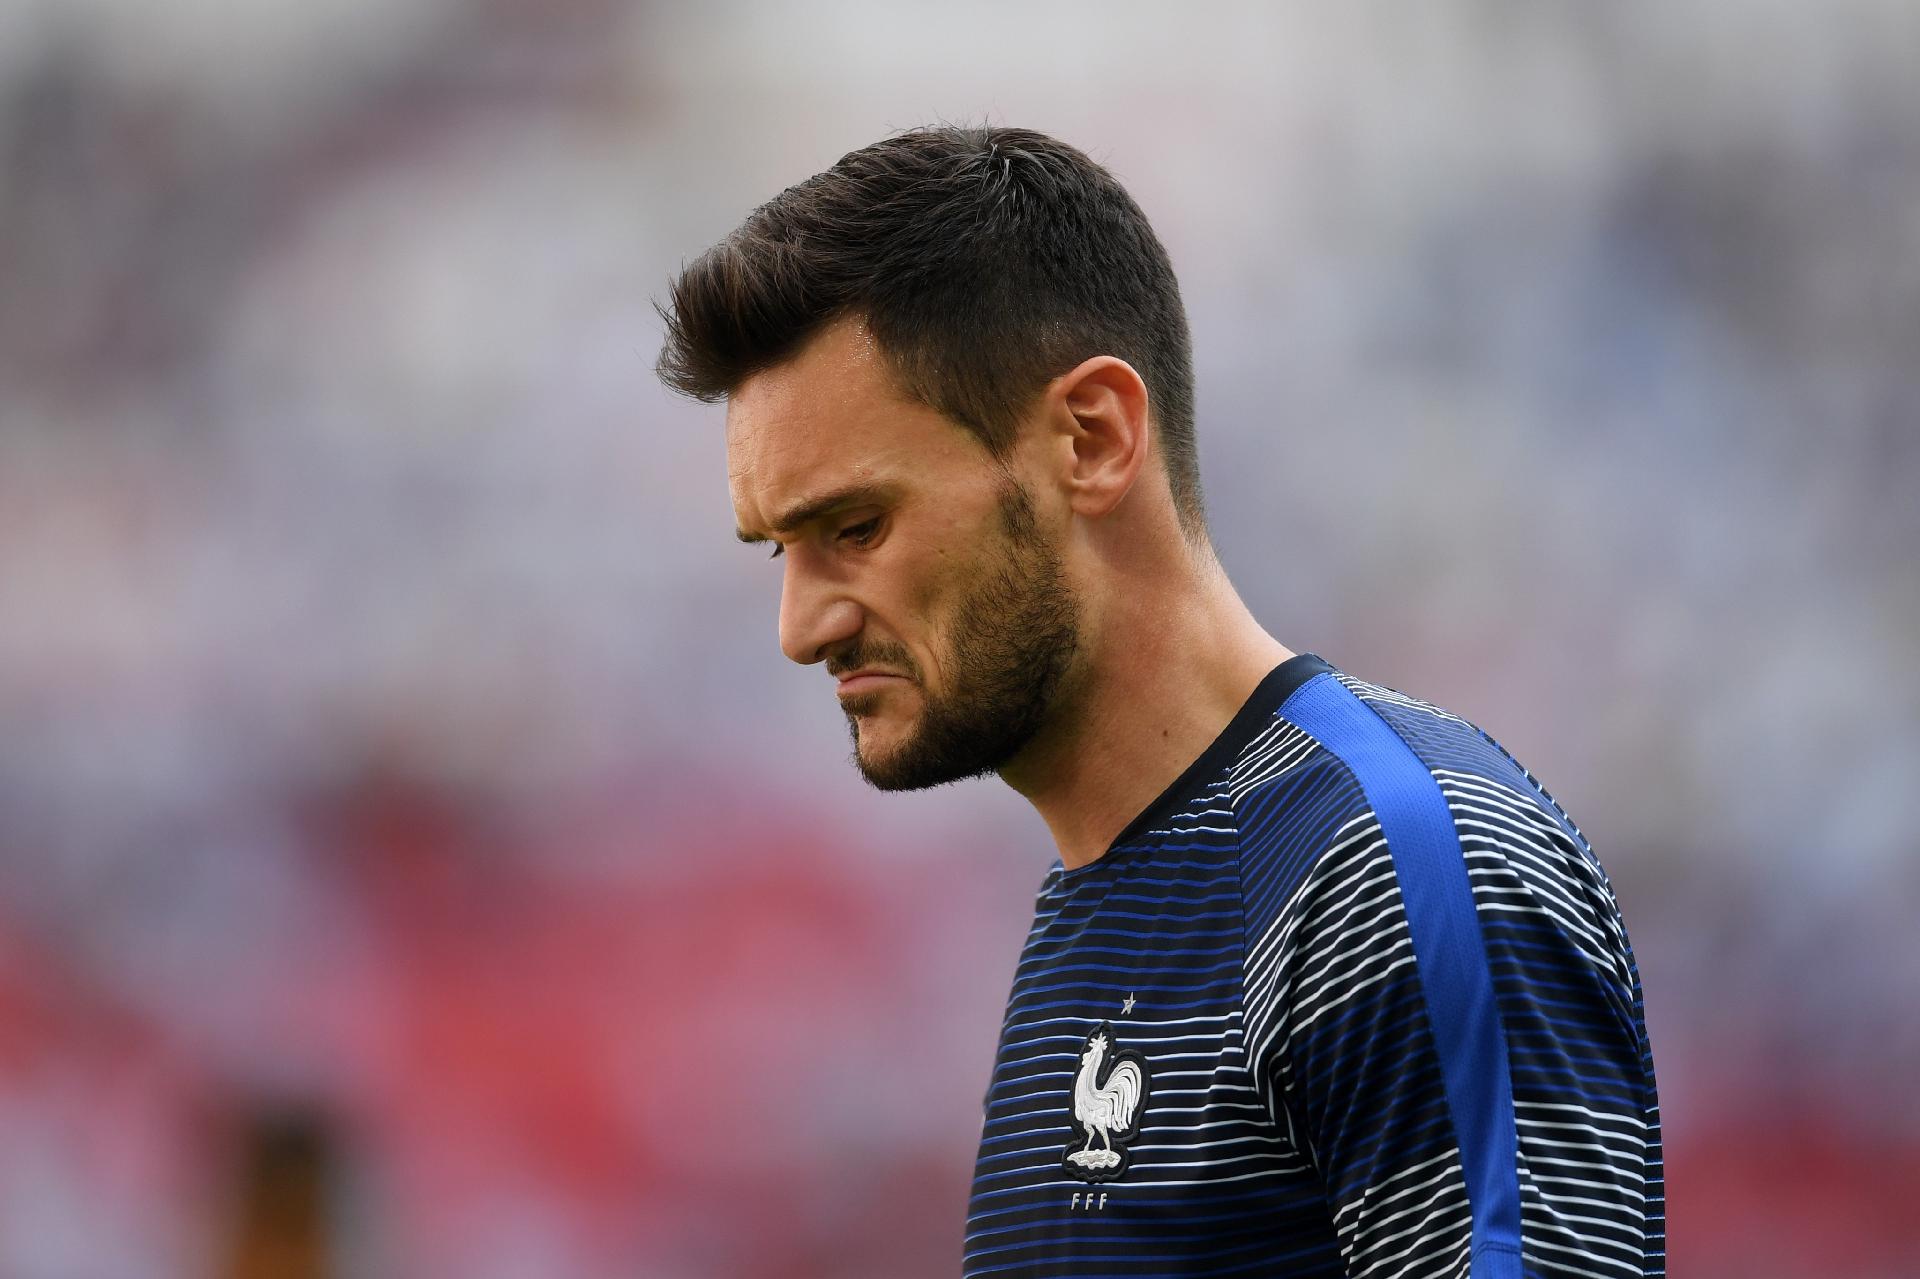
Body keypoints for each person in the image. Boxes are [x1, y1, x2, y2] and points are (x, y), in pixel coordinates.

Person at [657, 125, 1664, 1279]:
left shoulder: (1394, 865)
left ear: (1092, 437)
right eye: (776, 550)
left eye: (856, 528)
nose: (802, 628)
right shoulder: (1098, 912)